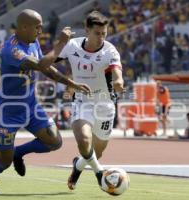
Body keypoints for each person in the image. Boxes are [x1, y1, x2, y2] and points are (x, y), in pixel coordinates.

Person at [0, 9, 91, 194]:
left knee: (54, 141)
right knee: (4, 162)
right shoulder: (12, 50)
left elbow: (46, 69)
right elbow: (41, 65)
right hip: (8, 111)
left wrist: (71, 83)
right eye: (37, 28)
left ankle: (18, 153)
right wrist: (62, 42)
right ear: (24, 27)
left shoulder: (32, 42)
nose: (40, 31)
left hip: (30, 106)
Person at [56, 11, 124, 190]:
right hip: (82, 101)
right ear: (86, 30)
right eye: (97, 33)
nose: (101, 37)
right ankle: (100, 174)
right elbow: (48, 59)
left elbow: (117, 73)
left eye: (104, 33)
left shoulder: (110, 50)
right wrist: (61, 41)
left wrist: (119, 82)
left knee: (96, 152)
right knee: (85, 142)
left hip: (105, 105)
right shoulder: (72, 46)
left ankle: (77, 167)